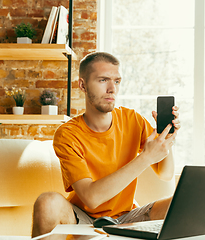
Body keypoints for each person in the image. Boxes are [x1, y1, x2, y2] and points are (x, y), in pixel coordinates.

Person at [31, 52, 180, 238]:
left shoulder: (133, 120)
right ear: (82, 85)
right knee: (47, 202)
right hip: (83, 218)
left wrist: (167, 137)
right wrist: (145, 158)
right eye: (103, 80)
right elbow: (91, 198)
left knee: (185, 205)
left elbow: (165, 174)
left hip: (127, 217)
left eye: (117, 81)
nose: (112, 89)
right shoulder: (68, 134)